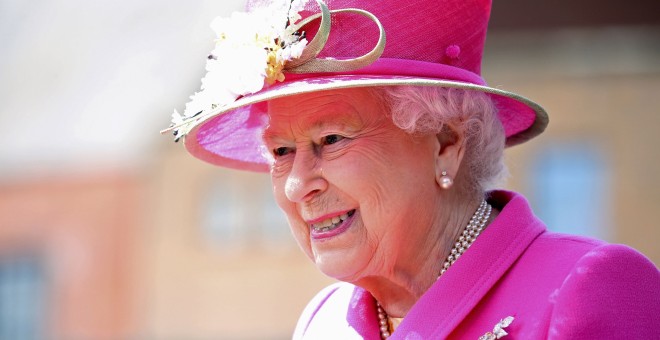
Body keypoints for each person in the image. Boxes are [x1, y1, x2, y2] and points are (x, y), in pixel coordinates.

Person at [163, 0, 660, 338]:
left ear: (445, 143)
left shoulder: (592, 287)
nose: (296, 185)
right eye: (281, 152)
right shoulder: (323, 322)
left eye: (330, 140)